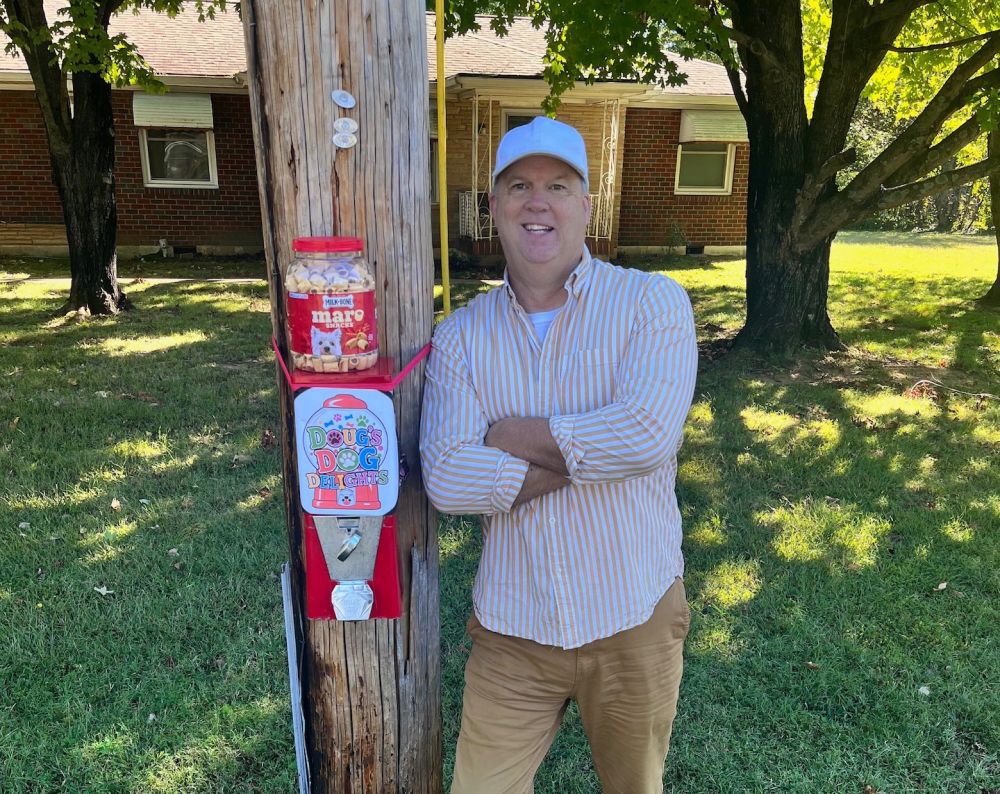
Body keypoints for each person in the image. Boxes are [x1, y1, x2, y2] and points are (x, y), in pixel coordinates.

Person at [420, 116, 698, 794]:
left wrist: (511, 435)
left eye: (558, 185)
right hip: (514, 629)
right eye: (518, 186)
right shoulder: (459, 338)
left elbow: (646, 435)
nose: (537, 202)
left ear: (585, 204)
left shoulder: (651, 304)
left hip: (632, 613)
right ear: (494, 207)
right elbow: (450, 479)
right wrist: (590, 451)